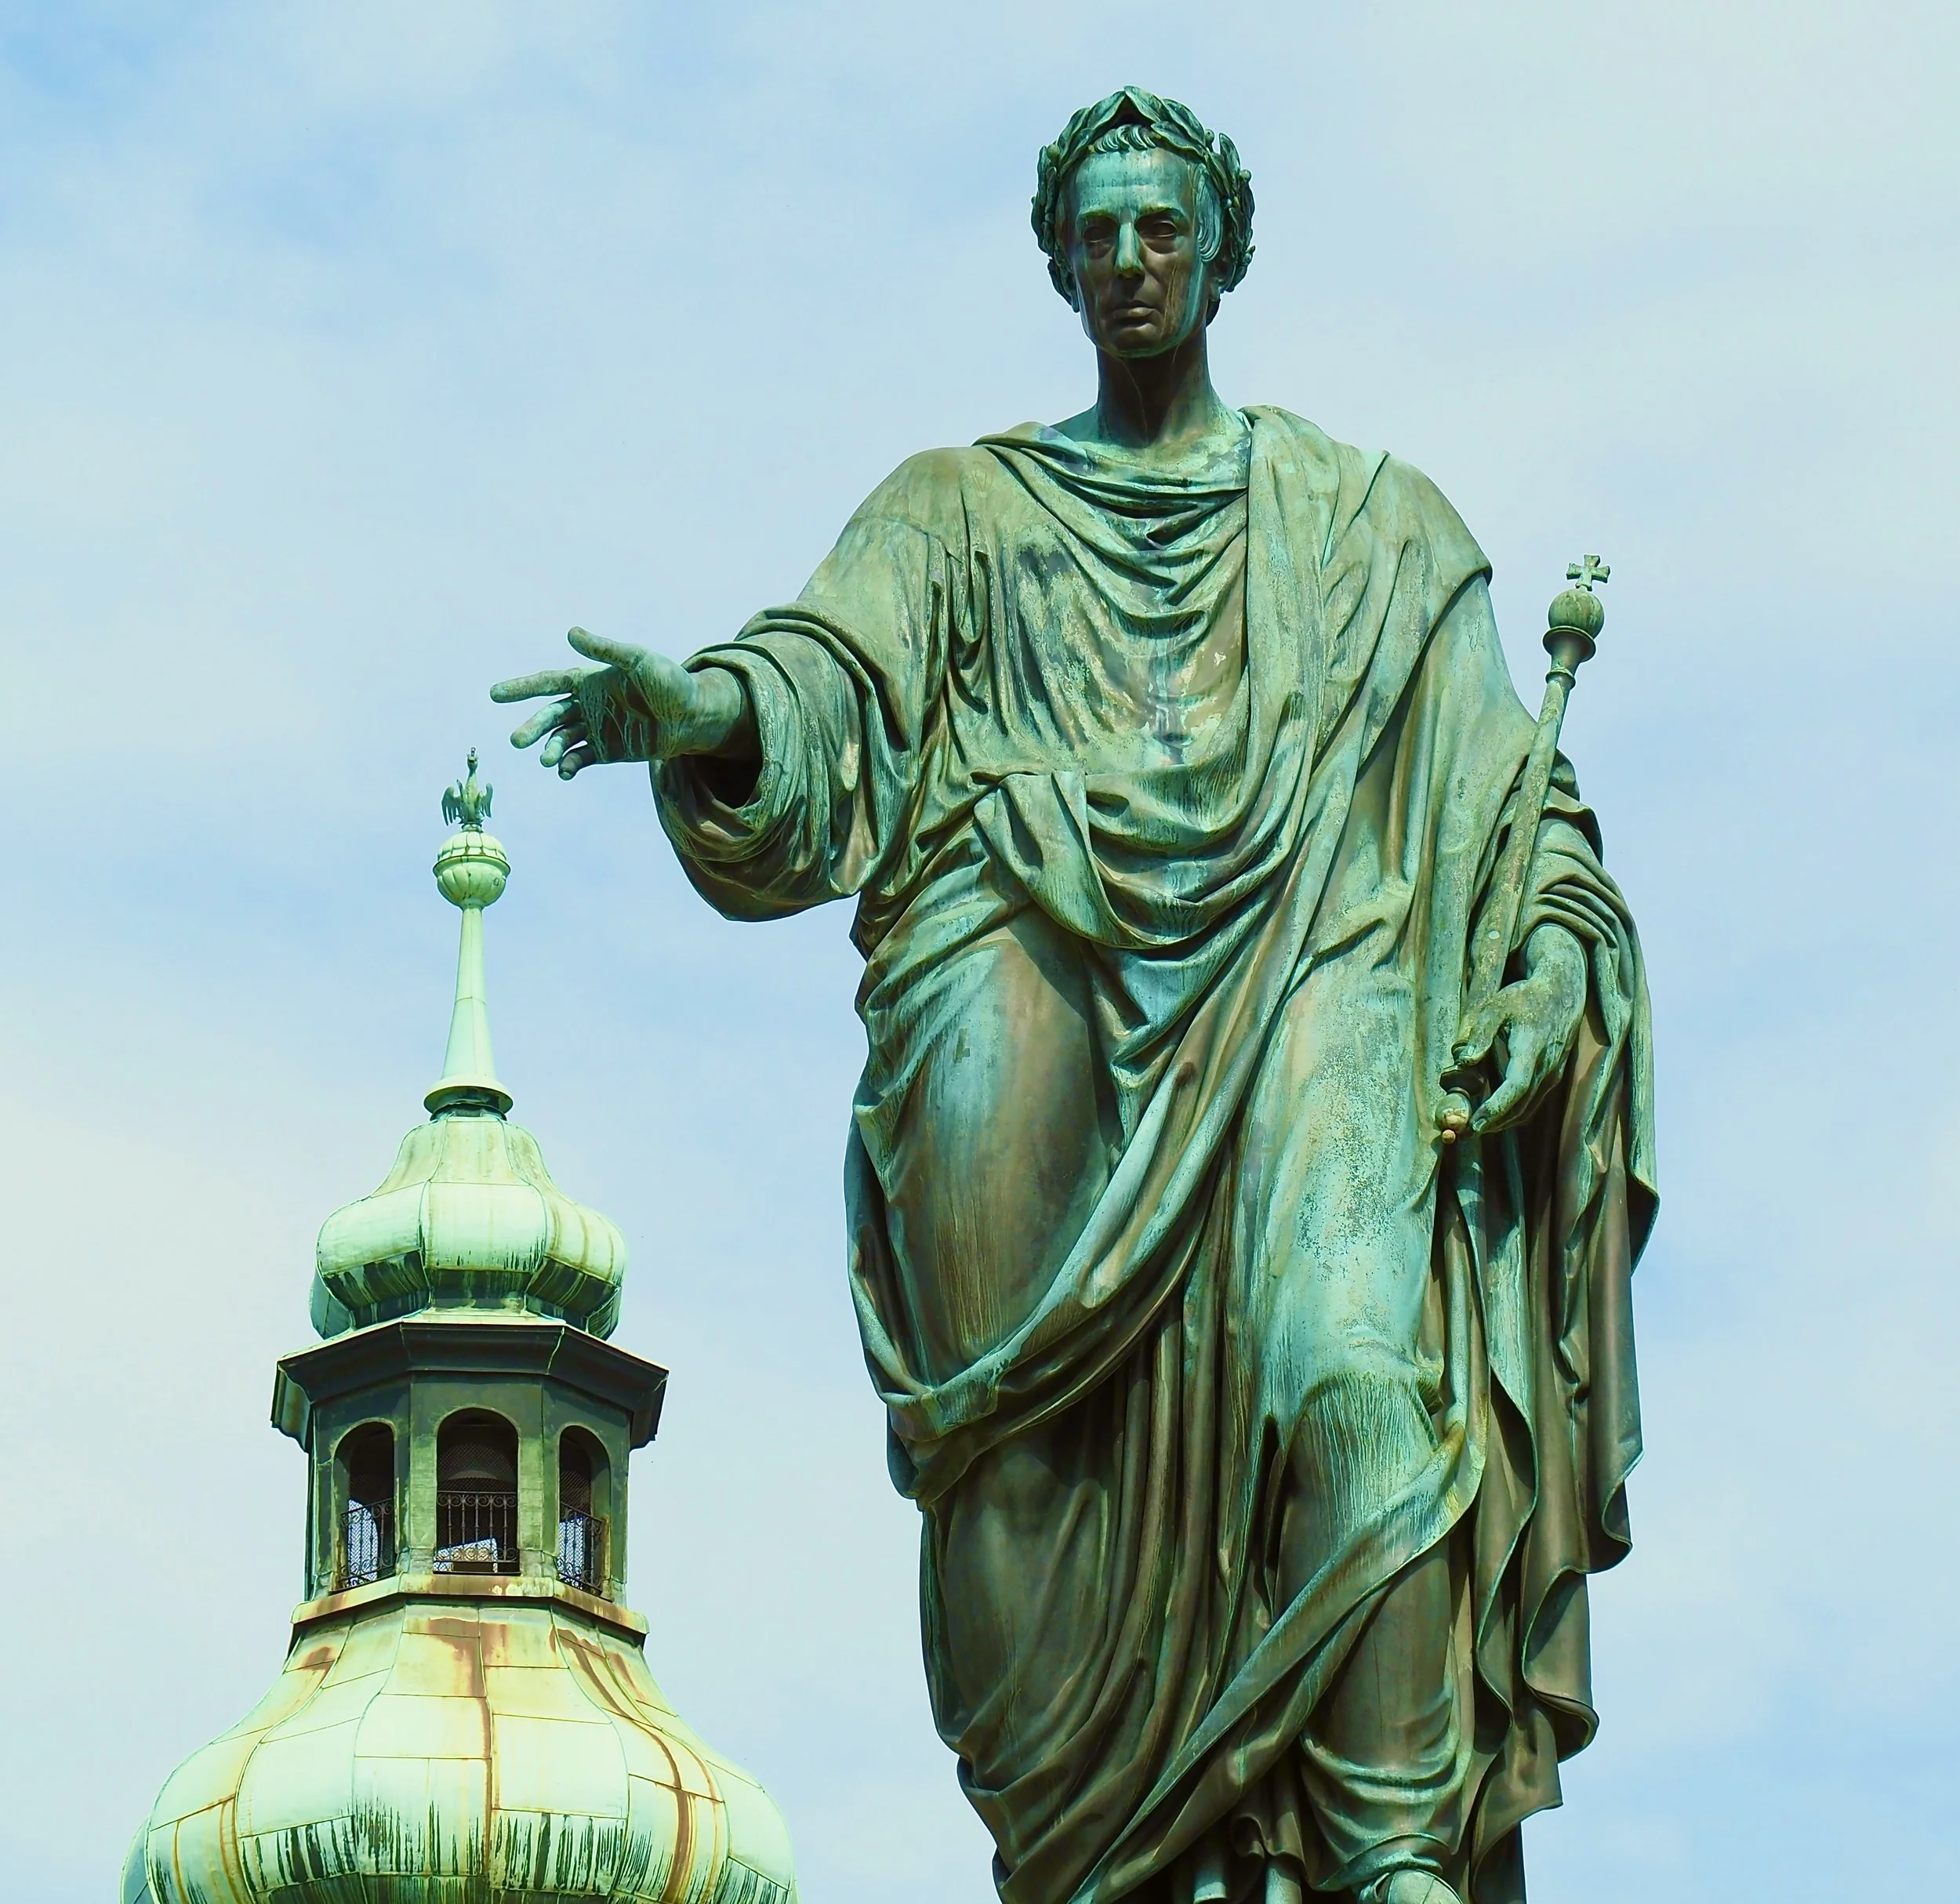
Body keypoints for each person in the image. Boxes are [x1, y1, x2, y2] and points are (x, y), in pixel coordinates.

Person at [492, 86, 1656, 1904]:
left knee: (1354, 1373)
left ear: (1220, 251)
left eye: (1159, 228)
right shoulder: (959, 512)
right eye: (1095, 234)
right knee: (1006, 1483)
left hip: (1313, 992)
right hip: (1025, 974)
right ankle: (1086, 1846)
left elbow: (1526, 817)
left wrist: (1548, 972)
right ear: (1056, 261)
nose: (1127, 261)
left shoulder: (1375, 530)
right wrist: (705, 709)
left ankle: (1390, 1849)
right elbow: (829, 685)